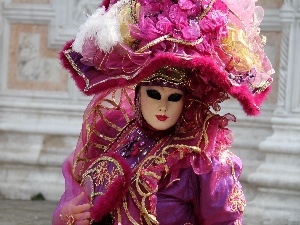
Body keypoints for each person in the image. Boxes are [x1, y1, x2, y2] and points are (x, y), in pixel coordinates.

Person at [53, 0, 274, 224]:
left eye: (174, 97)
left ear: (186, 100)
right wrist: (70, 215)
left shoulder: (204, 159)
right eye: (154, 95)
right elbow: (77, 198)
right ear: (138, 94)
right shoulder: (114, 132)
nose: (163, 106)